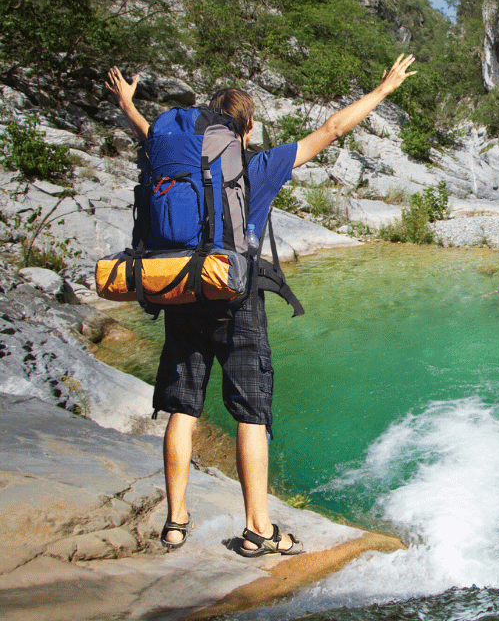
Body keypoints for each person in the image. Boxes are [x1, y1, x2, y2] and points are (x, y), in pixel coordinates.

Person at [106, 53, 417, 555]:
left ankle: (175, 521)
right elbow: (332, 129)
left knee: (182, 411)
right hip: (236, 295)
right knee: (251, 414)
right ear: (246, 127)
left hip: (184, 286)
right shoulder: (258, 164)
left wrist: (128, 103)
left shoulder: (179, 154)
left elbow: (150, 136)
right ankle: (257, 528)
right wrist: (382, 91)